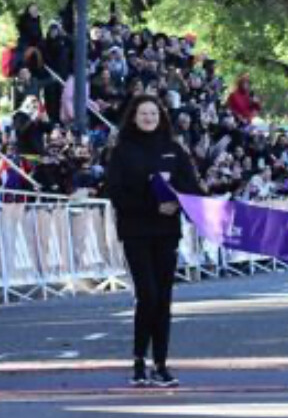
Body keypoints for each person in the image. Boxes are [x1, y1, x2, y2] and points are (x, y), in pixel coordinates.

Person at [105, 95, 203, 389]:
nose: (149, 118)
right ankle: (139, 361)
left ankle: (160, 364)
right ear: (134, 117)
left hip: (167, 231)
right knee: (147, 295)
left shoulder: (174, 149)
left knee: (163, 297)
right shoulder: (122, 150)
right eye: (143, 113)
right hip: (136, 230)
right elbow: (115, 192)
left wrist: (179, 202)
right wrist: (152, 204)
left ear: (161, 117)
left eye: (154, 113)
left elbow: (191, 187)